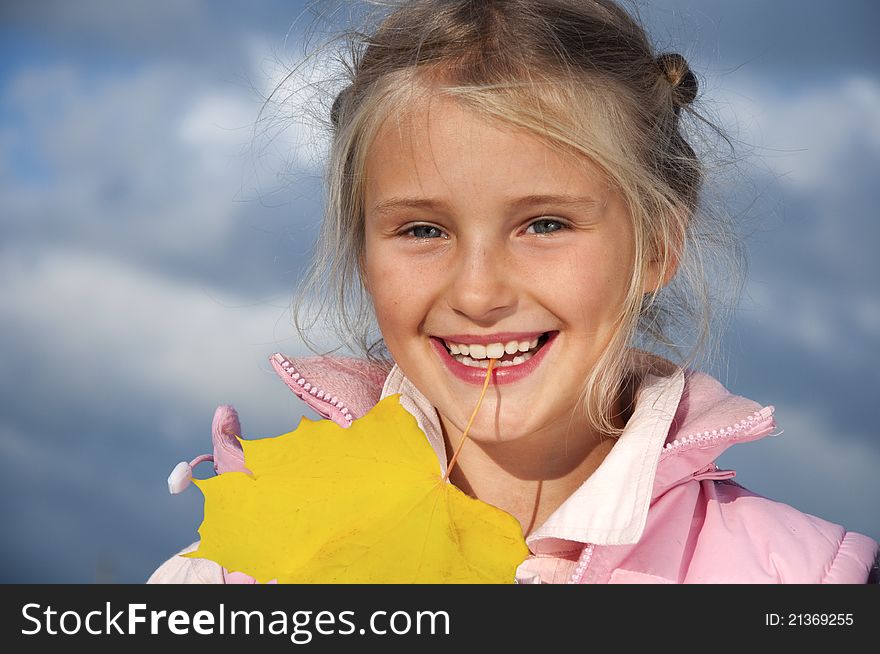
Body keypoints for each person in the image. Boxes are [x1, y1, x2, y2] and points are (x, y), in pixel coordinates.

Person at [149, 0, 879, 584]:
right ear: (362, 250)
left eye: (545, 223)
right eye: (423, 231)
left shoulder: (814, 584)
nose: (478, 291)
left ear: (658, 244)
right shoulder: (232, 577)